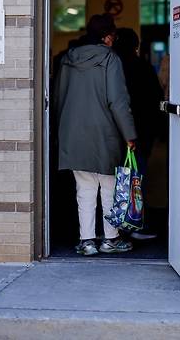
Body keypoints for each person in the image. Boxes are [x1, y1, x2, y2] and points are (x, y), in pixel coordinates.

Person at [54, 14, 137, 256]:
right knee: (109, 186)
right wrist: (129, 134)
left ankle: (87, 241)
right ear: (108, 36)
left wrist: (61, 130)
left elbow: (58, 98)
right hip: (105, 133)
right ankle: (110, 239)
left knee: (85, 188)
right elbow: (118, 101)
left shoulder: (68, 59)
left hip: (73, 133)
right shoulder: (110, 58)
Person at [112, 28, 163, 240]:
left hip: (112, 133)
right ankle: (131, 225)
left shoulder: (110, 66)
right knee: (134, 180)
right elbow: (155, 100)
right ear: (136, 46)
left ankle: (111, 228)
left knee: (111, 181)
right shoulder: (143, 68)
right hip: (139, 135)